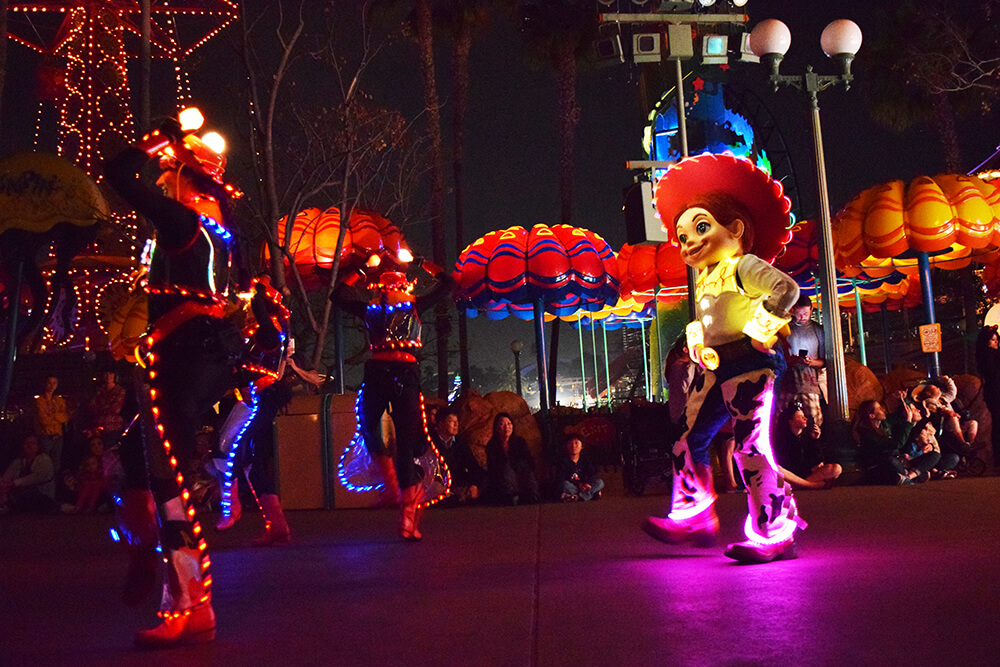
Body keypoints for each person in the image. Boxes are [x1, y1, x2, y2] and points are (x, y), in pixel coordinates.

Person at [105, 109, 245, 647]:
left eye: (170, 174)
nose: (162, 180)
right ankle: (145, 552)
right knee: (138, 463)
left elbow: (119, 175)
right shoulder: (217, 228)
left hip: (184, 357)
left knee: (170, 482)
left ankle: (189, 603)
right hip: (191, 353)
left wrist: (159, 136)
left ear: (186, 178)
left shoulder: (184, 224)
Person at [640, 153, 805, 564]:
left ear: (735, 229)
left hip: (748, 365)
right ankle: (693, 514)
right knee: (685, 438)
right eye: (681, 236)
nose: (689, 241)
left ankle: (775, 531)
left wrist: (758, 332)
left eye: (700, 227)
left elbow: (785, 292)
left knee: (749, 446)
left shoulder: (744, 266)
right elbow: (708, 322)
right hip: (714, 369)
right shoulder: (709, 277)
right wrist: (696, 338)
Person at [330, 252, 453, 540]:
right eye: (386, 279)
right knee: (368, 426)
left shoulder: (415, 305)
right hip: (377, 371)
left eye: (397, 279)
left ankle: (407, 518)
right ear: (379, 285)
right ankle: (392, 486)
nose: (392, 282)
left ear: (406, 283)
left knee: (407, 442)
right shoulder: (371, 308)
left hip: (406, 373)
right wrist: (362, 268)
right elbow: (337, 296)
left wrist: (422, 261)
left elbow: (447, 284)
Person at [777, 294, 826, 427]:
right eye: (799, 313)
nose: (802, 317)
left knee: (813, 421)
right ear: (793, 310)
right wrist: (790, 360)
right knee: (782, 419)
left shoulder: (818, 330)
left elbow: (824, 361)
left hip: (809, 382)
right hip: (787, 381)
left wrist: (811, 362)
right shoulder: (785, 328)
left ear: (811, 309)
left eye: (805, 313)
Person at [853, 394, 922, 485]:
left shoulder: (884, 423)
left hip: (895, 459)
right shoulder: (867, 434)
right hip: (879, 465)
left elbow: (901, 414)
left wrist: (903, 400)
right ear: (872, 416)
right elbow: (897, 443)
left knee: (930, 456)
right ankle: (906, 476)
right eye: (879, 409)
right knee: (890, 461)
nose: (883, 410)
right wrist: (908, 422)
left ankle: (905, 476)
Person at [772, 402, 841, 490]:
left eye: (804, 416)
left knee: (836, 468)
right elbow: (787, 464)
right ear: (791, 421)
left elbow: (818, 461)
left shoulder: (807, 437)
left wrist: (815, 440)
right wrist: (808, 468)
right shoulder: (782, 440)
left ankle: (800, 486)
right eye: (800, 417)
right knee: (778, 469)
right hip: (790, 476)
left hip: (806, 476)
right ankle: (811, 485)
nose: (805, 418)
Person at [432, 406, 484, 504]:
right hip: (437, 482)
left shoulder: (460, 443)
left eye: (457, 421)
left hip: (457, 482)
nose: (456, 424)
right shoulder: (430, 443)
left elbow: (474, 466)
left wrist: (474, 484)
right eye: (451, 421)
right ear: (441, 424)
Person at [484, 412, 539, 505]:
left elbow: (528, 461)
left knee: (523, 468)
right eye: (502, 424)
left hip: (520, 474)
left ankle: (531, 495)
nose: (506, 427)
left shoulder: (519, 442)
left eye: (509, 424)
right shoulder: (492, 445)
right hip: (502, 479)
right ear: (497, 428)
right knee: (506, 469)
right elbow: (493, 468)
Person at [0, 435, 56, 513]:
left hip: (41, 495)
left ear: (39, 446)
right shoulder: (18, 462)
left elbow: (40, 476)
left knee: (27, 495)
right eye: (26, 443)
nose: (30, 445)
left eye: (33, 443)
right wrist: (4, 485)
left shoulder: (44, 459)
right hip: (20, 494)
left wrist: (15, 483)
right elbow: (7, 477)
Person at [33, 375, 69, 475]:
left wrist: (53, 416)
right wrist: (57, 418)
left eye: (54, 383)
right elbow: (44, 420)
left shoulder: (59, 400)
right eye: (50, 383)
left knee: (56, 465)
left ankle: (54, 487)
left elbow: (65, 417)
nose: (52, 385)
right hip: (45, 436)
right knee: (44, 464)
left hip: (58, 436)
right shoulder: (40, 401)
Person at [975, 324, 1000, 468]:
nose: (996, 342)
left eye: (996, 339)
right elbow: (994, 375)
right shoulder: (989, 356)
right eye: (992, 340)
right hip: (996, 394)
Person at [553, 434, 604, 501]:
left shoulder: (585, 460)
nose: (573, 446)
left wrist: (587, 483)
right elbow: (560, 479)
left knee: (599, 482)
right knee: (565, 485)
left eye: (576, 443)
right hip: (574, 487)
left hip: (585, 486)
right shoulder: (562, 461)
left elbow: (592, 474)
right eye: (570, 443)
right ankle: (591, 495)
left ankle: (578, 497)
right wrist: (579, 485)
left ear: (582, 446)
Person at [88, 370, 126, 445]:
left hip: (113, 428)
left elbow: (115, 409)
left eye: (111, 373)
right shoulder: (99, 391)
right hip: (98, 430)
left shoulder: (120, 391)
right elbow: (92, 407)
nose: (108, 376)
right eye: (106, 373)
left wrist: (101, 408)